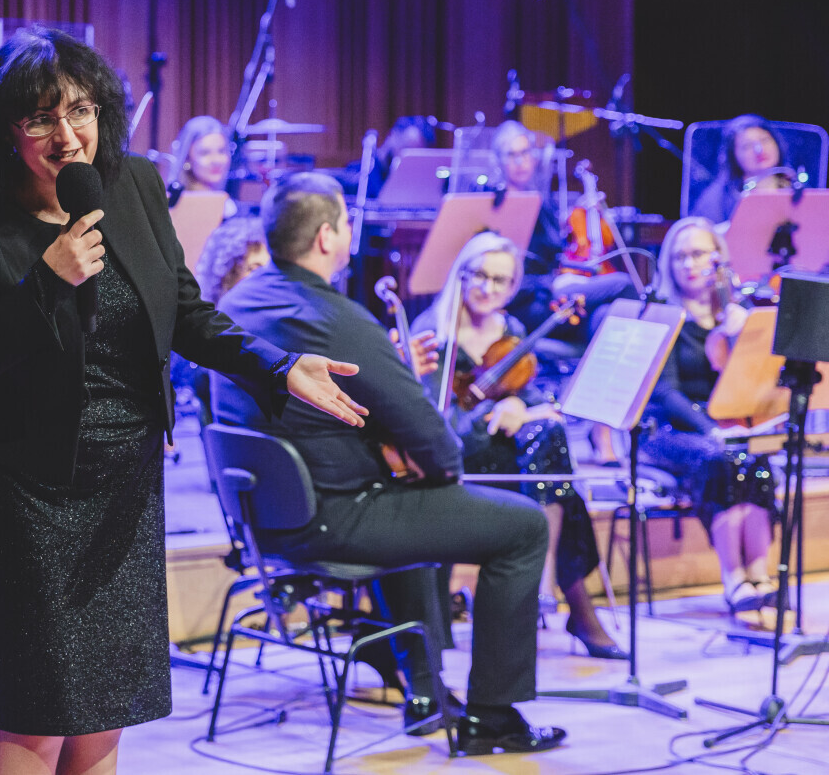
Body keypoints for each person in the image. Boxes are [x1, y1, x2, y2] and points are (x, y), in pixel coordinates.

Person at [0, 28, 366, 775]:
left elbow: (185, 311)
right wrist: (45, 282)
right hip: (32, 491)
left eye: (81, 110)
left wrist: (279, 365)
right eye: (42, 118)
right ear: (7, 129)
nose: (68, 135)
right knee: (36, 721)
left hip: (126, 483)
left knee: (104, 718)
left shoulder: (131, 185)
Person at [213, 171, 566, 756]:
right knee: (524, 526)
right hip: (331, 518)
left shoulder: (237, 302)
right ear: (327, 237)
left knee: (411, 503)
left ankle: (425, 692)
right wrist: (426, 450)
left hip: (262, 519)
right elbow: (439, 448)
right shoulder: (337, 318)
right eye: (347, 223)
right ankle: (493, 719)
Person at [413, 232, 625, 659]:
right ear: (461, 274)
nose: (488, 288)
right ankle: (575, 609)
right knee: (558, 483)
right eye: (479, 276)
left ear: (513, 286)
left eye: (501, 281)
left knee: (553, 455)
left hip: (508, 462)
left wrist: (524, 408)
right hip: (457, 464)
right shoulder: (433, 335)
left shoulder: (510, 329)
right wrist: (504, 412)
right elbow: (441, 427)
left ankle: (550, 591)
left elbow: (525, 396)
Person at [642, 217, 778, 613]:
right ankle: (733, 579)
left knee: (756, 459)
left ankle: (761, 575)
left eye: (699, 253)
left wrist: (742, 335)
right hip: (668, 428)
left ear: (719, 258)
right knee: (719, 458)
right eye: (680, 256)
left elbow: (753, 380)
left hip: (725, 424)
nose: (689, 263)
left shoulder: (737, 313)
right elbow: (665, 393)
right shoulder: (662, 313)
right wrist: (711, 428)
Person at [491, 120, 636, 464]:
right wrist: (552, 283)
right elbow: (503, 279)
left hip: (554, 300)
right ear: (498, 162)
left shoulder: (538, 202)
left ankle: (598, 423)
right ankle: (601, 418)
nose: (521, 161)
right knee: (623, 284)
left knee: (606, 318)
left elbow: (554, 257)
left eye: (526, 152)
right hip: (526, 307)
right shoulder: (496, 207)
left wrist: (571, 273)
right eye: (512, 155)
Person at [691, 114, 791, 226]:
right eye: (747, 146)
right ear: (733, 155)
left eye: (765, 140)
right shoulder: (719, 198)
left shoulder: (795, 188)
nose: (759, 150)